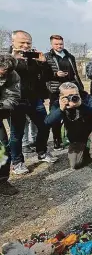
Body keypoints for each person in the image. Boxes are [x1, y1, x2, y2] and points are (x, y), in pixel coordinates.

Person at [9, 30, 56, 175]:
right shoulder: (6, 58)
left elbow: (47, 76)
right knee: (16, 133)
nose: (25, 45)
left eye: (28, 43)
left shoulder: (33, 58)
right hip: (16, 100)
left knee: (45, 125)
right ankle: (17, 162)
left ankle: (42, 152)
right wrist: (13, 59)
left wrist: (43, 63)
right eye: (21, 42)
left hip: (35, 99)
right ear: (13, 43)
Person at [45, 82, 92, 169]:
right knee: (75, 165)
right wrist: (61, 109)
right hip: (76, 134)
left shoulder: (86, 97)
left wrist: (81, 105)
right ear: (61, 96)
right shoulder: (58, 103)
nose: (73, 98)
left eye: (75, 94)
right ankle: (85, 151)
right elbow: (48, 121)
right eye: (69, 96)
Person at [44, 34, 85, 150]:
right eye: (56, 44)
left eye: (61, 44)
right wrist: (55, 74)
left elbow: (76, 73)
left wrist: (80, 88)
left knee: (73, 115)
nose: (59, 46)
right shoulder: (47, 57)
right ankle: (57, 140)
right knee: (56, 116)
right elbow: (44, 75)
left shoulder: (70, 56)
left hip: (71, 90)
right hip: (56, 92)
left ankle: (72, 137)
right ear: (51, 44)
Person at [0, 54, 21, 195]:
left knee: (2, 147)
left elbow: (13, 97)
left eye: (5, 72)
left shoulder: (13, 75)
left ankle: (2, 181)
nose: (3, 74)